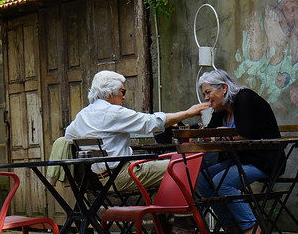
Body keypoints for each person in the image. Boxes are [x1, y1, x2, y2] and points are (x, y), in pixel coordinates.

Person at [65, 70, 210, 192]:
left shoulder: (82, 115)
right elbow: (151, 123)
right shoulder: (113, 112)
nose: (124, 96)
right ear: (110, 94)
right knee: (183, 166)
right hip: (122, 175)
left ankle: (163, 218)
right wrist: (188, 113)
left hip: (101, 179)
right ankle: (182, 220)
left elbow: (68, 136)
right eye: (122, 91)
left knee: (164, 170)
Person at [196, 69, 283, 234]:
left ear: (224, 88)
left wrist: (220, 136)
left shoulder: (245, 99)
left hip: (263, 160)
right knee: (201, 178)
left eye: (208, 92)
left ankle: (253, 228)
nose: (206, 98)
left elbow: (247, 134)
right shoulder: (222, 108)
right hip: (239, 160)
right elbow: (211, 133)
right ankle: (232, 226)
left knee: (223, 181)